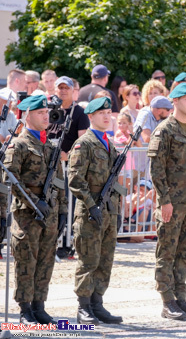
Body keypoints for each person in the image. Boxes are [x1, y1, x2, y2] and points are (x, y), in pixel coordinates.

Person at [4, 95, 68, 324]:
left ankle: (40, 306)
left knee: (45, 261)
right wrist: (34, 201)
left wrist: (62, 211)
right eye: (40, 113)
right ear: (27, 115)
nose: (46, 117)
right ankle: (25, 310)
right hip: (27, 214)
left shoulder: (50, 146)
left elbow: (60, 182)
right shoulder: (19, 145)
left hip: (49, 213)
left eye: (46, 113)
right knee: (26, 262)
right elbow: (11, 179)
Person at [147, 82, 186, 320]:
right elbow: (157, 168)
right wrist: (164, 200)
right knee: (167, 252)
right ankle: (167, 300)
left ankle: (181, 297)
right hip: (172, 201)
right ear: (174, 101)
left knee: (185, 252)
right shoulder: (165, 130)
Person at [68, 97, 124, 324]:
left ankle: (97, 303)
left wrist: (117, 211)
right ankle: (83, 307)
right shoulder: (85, 143)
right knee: (88, 261)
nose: (107, 116)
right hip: (90, 213)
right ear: (90, 116)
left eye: (109, 112)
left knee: (105, 260)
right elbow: (75, 179)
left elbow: (115, 184)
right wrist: (92, 205)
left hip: (108, 212)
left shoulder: (109, 144)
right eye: (101, 112)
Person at [47, 76, 90, 161]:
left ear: (73, 91)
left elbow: (82, 142)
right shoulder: (48, 111)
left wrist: (67, 156)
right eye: (61, 88)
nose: (63, 90)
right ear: (55, 90)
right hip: (48, 159)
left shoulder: (80, 113)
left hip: (69, 163)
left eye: (67, 88)